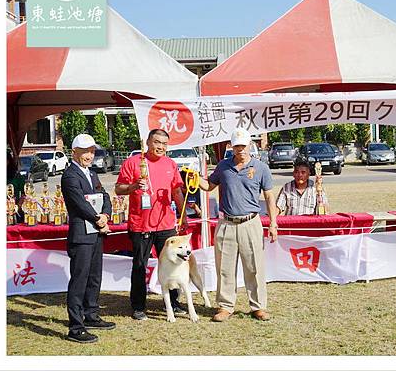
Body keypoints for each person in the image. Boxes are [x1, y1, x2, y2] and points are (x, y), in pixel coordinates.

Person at [192, 127, 277, 322]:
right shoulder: (223, 166)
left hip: (251, 222)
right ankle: (225, 306)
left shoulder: (261, 168)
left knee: (255, 266)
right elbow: (209, 186)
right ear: (231, 146)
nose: (240, 150)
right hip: (226, 223)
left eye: (243, 146)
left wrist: (273, 223)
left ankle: (258, 306)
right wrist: (195, 179)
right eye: (237, 146)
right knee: (225, 267)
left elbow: (269, 196)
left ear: (250, 145)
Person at [115, 129, 188, 321]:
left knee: (173, 263)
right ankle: (138, 306)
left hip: (166, 224)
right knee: (140, 265)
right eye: (157, 142)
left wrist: (183, 215)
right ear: (148, 142)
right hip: (141, 224)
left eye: (164, 144)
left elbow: (177, 191)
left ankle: (173, 302)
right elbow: (118, 189)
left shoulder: (171, 164)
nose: (160, 147)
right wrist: (132, 187)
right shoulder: (133, 162)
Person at [61, 134, 115, 343]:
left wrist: (106, 215)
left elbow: (105, 197)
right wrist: (97, 218)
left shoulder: (92, 174)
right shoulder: (70, 175)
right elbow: (78, 203)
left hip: (95, 233)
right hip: (82, 235)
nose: (89, 155)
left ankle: (91, 314)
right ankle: (76, 327)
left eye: (92, 151)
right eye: (85, 151)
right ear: (74, 152)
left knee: (94, 277)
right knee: (79, 280)